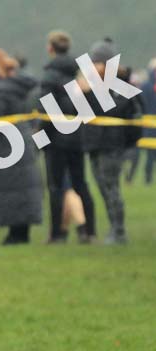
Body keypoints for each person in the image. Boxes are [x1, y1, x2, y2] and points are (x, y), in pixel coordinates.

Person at [79, 39, 142, 244]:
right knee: (103, 189)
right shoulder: (94, 85)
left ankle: (119, 231)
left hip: (112, 145)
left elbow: (116, 111)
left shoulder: (121, 85)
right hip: (95, 144)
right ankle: (113, 228)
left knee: (112, 188)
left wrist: (91, 93)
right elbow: (84, 113)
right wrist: (82, 93)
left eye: (96, 62)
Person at [39, 30, 96, 243]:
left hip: (55, 139)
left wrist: (40, 138)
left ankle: (56, 235)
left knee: (55, 187)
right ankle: (89, 232)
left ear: (50, 48)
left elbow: (47, 112)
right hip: (77, 137)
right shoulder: (76, 74)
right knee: (81, 184)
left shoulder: (49, 77)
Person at [0, 53, 44, 244]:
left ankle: (15, 234)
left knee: (10, 189)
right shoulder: (22, 88)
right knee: (22, 188)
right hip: (23, 140)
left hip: (4, 147)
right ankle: (21, 232)